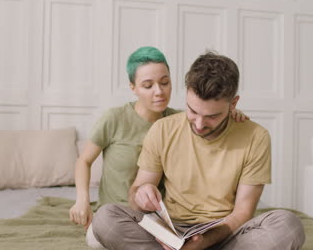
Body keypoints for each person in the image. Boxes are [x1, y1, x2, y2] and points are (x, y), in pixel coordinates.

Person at [91, 52, 305, 250]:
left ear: (234, 103)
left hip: (225, 233)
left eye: (212, 116)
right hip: (170, 232)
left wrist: (201, 243)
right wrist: (141, 195)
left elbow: (243, 212)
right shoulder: (163, 129)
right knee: (105, 218)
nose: (200, 124)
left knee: (288, 225)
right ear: (187, 94)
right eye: (192, 111)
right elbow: (136, 190)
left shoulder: (255, 137)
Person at [69, 47, 249, 246]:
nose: (159, 92)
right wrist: (82, 200)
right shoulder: (114, 119)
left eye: (165, 83)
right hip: (122, 217)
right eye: (148, 85)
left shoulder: (183, 121)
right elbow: (84, 161)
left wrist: (229, 112)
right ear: (133, 87)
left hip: (162, 222)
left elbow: (208, 117)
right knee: (97, 237)